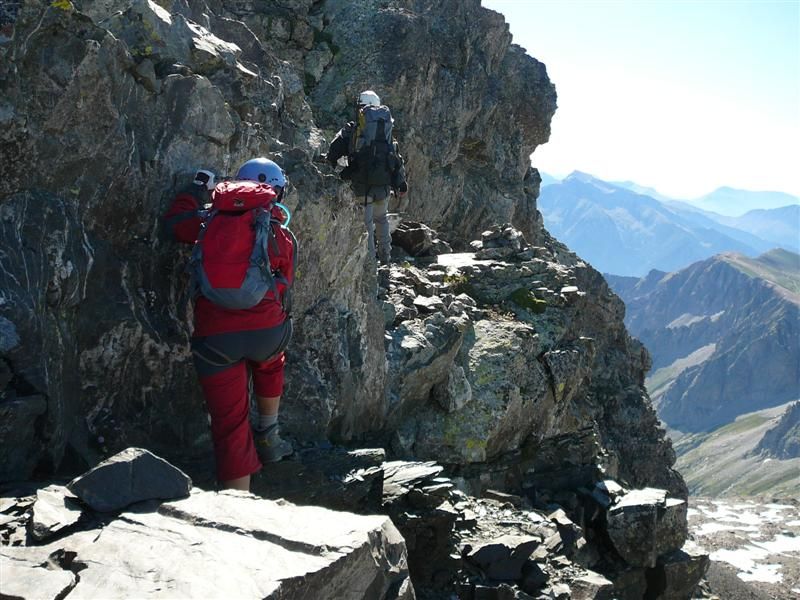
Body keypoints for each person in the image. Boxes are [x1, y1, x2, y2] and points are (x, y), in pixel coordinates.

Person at [163, 158, 296, 491]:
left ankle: (235, 505)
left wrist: (194, 190)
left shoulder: (208, 221)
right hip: (267, 334)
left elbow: (175, 224)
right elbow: (284, 285)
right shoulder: (279, 231)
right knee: (272, 359)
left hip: (216, 339)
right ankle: (269, 431)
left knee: (230, 427)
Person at [326, 90, 408, 264]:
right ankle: (386, 258)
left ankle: (370, 265)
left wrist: (334, 167)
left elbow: (333, 152)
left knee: (367, 225)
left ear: (359, 107)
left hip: (361, 186)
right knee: (382, 220)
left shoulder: (352, 130)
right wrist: (401, 183)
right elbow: (396, 158)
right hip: (383, 186)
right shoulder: (386, 131)